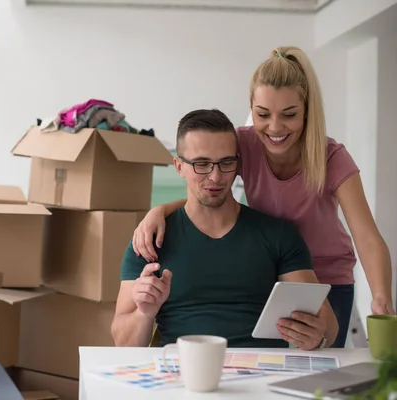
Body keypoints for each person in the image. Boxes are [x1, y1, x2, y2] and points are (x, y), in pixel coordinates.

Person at [131, 46, 394, 348]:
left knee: (321, 373)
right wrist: (160, 211)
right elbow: (208, 188)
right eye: (263, 114)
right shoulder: (244, 144)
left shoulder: (332, 157)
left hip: (326, 280)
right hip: (274, 273)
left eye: (289, 115)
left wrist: (381, 294)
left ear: (307, 111)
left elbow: (367, 236)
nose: (275, 127)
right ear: (251, 109)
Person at [111, 109, 338, 350]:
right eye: (201, 164)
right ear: (179, 167)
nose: (216, 176)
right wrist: (145, 314)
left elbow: (328, 325)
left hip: (261, 374)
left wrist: (318, 336)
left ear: (238, 163)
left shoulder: (277, 235)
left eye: (226, 162)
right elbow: (123, 344)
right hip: (182, 375)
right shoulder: (150, 240)